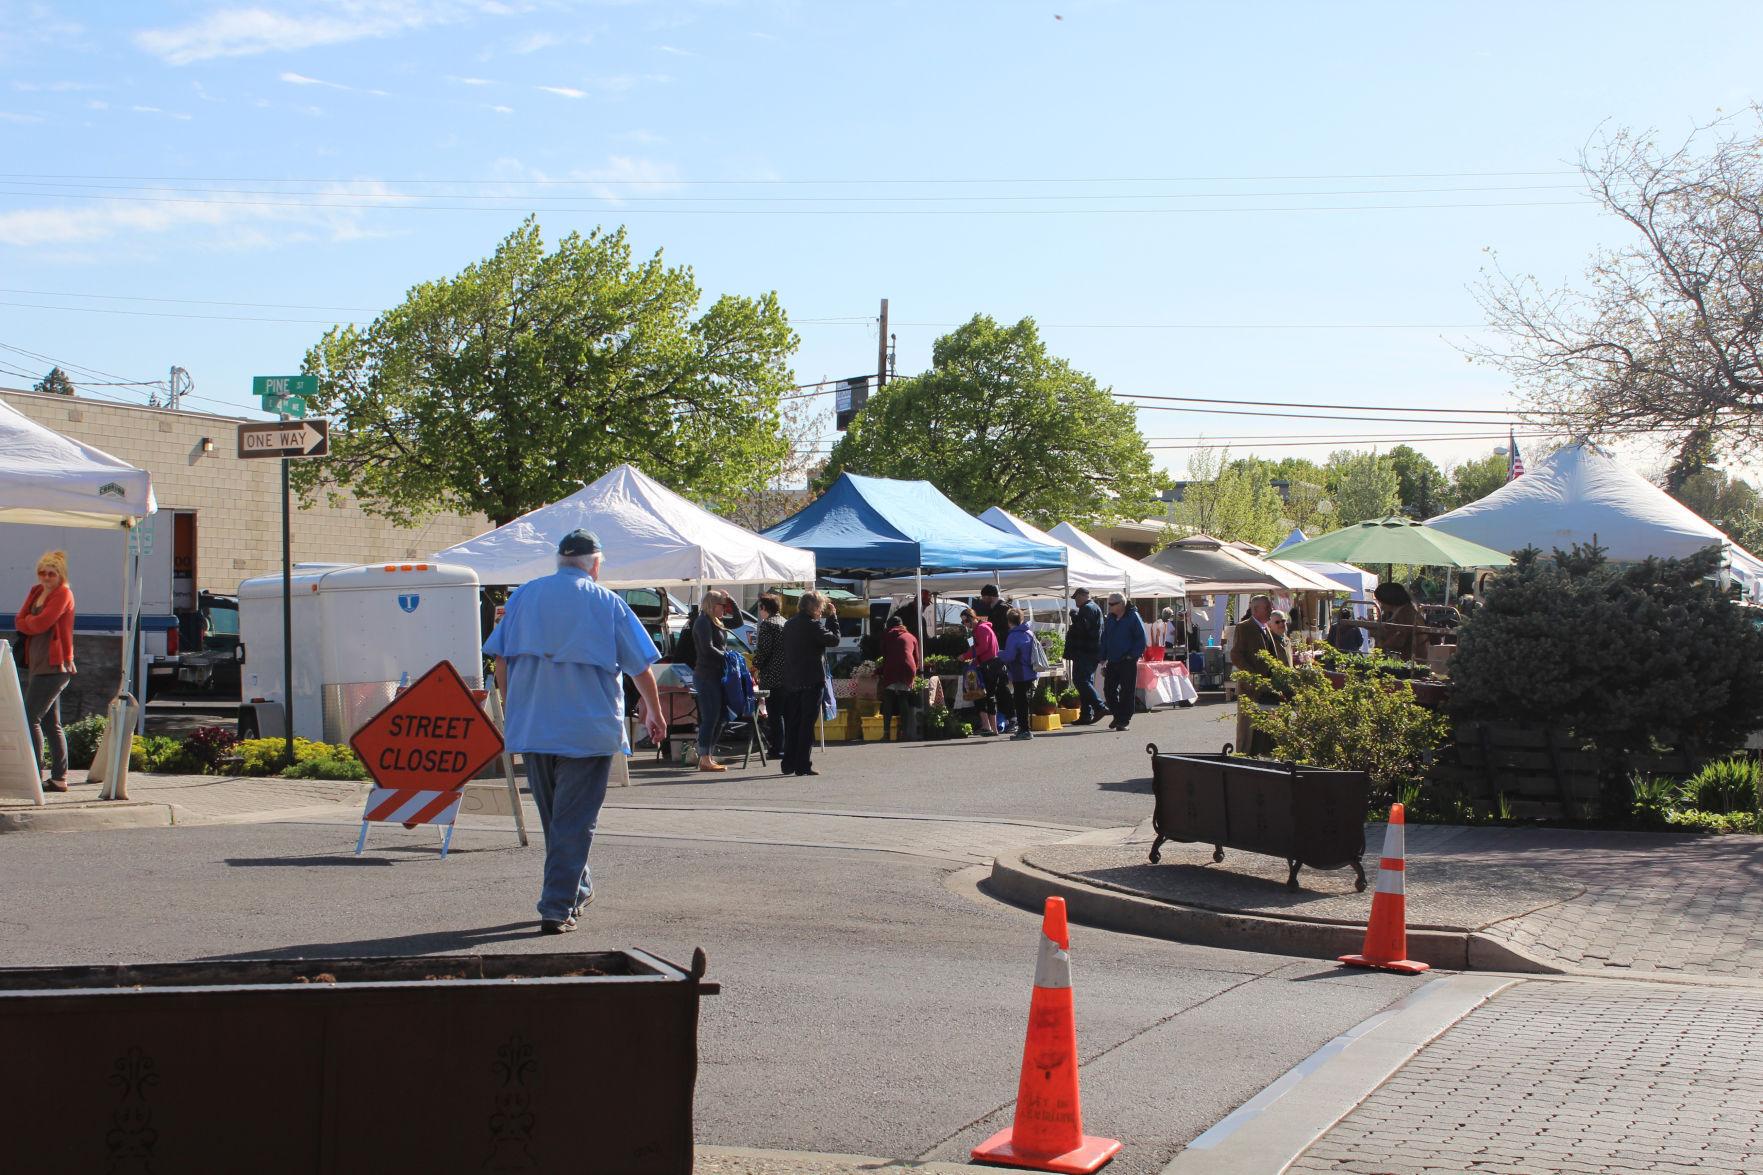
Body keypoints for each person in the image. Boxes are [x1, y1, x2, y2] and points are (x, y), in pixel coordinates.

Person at [484, 529, 668, 935]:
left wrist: (514, 710)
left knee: (557, 821)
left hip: (534, 726)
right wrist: (653, 712)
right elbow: (640, 667)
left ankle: (576, 888)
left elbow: (501, 664)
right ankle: (556, 906)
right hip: (587, 729)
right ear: (596, 564)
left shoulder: (523, 597)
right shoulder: (608, 603)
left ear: (559, 561)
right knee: (573, 821)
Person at [15, 550, 76, 793]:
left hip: (56, 665)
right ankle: (59, 778)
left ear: (60, 574)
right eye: (43, 572)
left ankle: (35, 773)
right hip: (36, 664)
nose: (47, 577)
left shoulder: (64, 593)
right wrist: (28, 623)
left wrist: (28, 623)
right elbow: (17, 619)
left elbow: (41, 622)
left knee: (30, 718)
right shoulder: (36, 591)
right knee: (52, 724)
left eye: (52, 573)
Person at [779, 590, 840, 776]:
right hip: (812, 679)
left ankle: (788, 763)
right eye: (820, 607)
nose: (821, 611)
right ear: (813, 607)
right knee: (806, 725)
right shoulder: (813, 626)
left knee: (793, 723)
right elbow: (834, 640)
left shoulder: (789, 625)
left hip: (792, 679)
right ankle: (803, 764)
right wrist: (833, 617)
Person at [1229, 594, 1279, 753]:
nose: (1271, 610)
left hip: (1268, 688)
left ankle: (1263, 757)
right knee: (1249, 728)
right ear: (1256, 609)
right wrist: (1253, 677)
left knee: (1265, 727)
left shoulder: (1266, 628)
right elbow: (1236, 655)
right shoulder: (1244, 627)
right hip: (1251, 688)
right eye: (1267, 607)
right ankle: (1245, 758)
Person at [692, 588, 733, 773]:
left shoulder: (715, 622)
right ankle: (704, 757)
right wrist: (727, 656)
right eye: (722, 605)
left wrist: (731, 600)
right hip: (706, 675)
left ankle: (707, 754)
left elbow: (738, 621)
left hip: (717, 675)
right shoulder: (702, 622)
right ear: (712, 605)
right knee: (710, 718)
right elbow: (707, 648)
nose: (724, 609)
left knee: (721, 717)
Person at [1099, 592, 1147, 731]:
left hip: (1127, 660)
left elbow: (1141, 639)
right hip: (1113, 660)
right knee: (1109, 690)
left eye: (1112, 604)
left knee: (1127, 691)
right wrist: (1102, 655)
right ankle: (1118, 715)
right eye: (1109, 604)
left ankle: (1123, 720)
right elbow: (1105, 638)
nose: (1110, 607)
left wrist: (1132, 655)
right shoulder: (1110, 619)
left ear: (1122, 604)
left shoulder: (1133, 617)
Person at [750, 593, 787, 754]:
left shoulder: (767, 625)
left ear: (764, 608)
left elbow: (764, 650)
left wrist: (755, 665)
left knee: (774, 713)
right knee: (785, 712)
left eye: (760, 608)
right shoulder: (784, 622)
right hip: (787, 674)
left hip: (772, 675)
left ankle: (776, 747)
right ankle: (785, 745)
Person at [958, 606, 1003, 737]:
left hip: (989, 666)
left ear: (972, 618)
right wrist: (972, 660)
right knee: (987, 696)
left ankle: (989, 726)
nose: (965, 624)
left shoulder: (982, 629)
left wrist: (965, 656)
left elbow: (982, 647)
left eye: (965, 621)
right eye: (963, 622)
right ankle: (990, 727)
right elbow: (979, 648)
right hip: (990, 665)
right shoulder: (980, 629)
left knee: (981, 695)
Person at [1066, 587, 1106, 725]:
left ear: (1083, 596)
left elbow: (1082, 629)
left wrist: (1074, 616)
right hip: (1091, 651)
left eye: (1077, 598)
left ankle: (1099, 706)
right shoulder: (1094, 607)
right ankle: (1086, 714)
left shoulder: (1087, 609)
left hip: (1085, 651)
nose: (1076, 601)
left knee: (1080, 680)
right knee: (1085, 681)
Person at [999, 607, 1040, 741]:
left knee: (1020, 702)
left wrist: (998, 653)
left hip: (1019, 672)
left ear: (1009, 621)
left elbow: (1010, 656)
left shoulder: (1014, 635)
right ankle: (1025, 728)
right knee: (1025, 702)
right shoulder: (1029, 633)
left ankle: (1024, 730)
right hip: (1031, 671)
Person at [879, 613, 920, 741]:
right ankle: (904, 732)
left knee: (888, 700)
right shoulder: (911, 636)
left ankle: (886, 733)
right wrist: (914, 672)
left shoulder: (887, 635)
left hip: (891, 667)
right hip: (908, 668)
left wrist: (880, 670)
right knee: (903, 698)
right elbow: (916, 658)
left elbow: (885, 655)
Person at [1372, 582, 1425, 661]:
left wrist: (1374, 631)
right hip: (1412, 657)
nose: (1380, 605)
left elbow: (1396, 641)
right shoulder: (1407, 611)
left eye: (1381, 601)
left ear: (1389, 599)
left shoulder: (1405, 615)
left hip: (1410, 659)